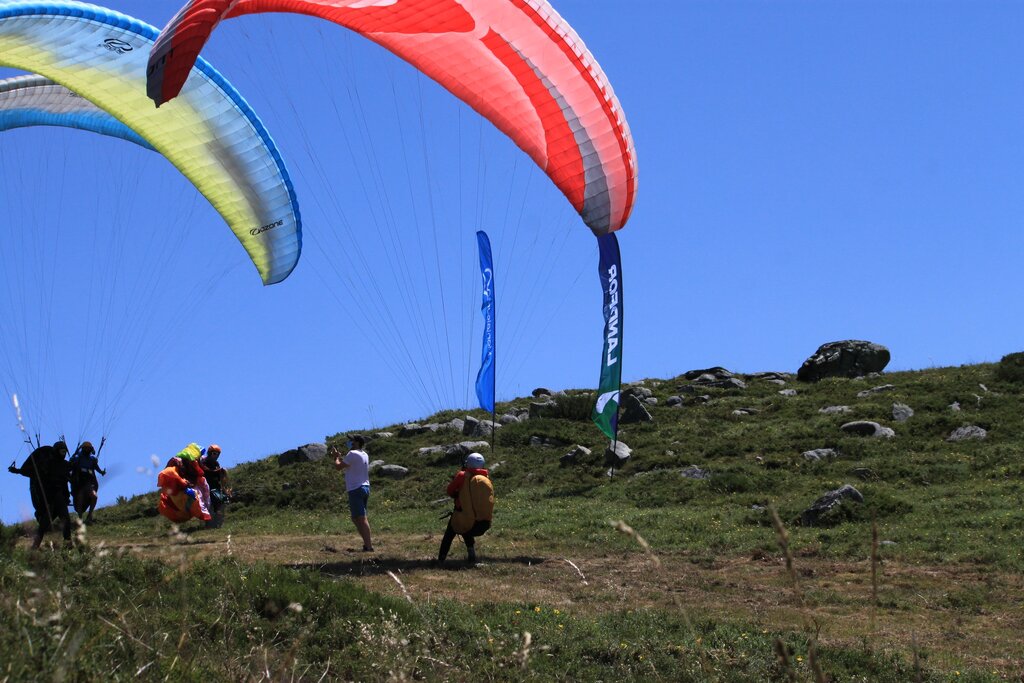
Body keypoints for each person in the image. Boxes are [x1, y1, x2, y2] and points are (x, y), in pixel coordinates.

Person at [8, 440, 72, 549]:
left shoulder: (65, 465)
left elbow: (68, 479)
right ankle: (35, 546)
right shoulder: (47, 463)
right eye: (62, 452)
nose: (64, 454)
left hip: (60, 496)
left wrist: (67, 496)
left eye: (65, 452)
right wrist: (18, 470)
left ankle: (68, 545)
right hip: (50, 497)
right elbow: (33, 471)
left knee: (66, 520)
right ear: (56, 451)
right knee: (44, 523)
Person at [437, 452, 494, 566]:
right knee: (466, 526)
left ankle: (441, 560)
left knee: (450, 533)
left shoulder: (463, 475)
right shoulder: (485, 477)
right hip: (482, 523)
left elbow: (450, 491)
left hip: (464, 516)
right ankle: (471, 553)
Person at [332, 435, 373, 552]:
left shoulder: (352, 454)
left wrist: (336, 457)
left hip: (356, 489)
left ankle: (369, 546)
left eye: (352, 441)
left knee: (361, 518)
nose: (350, 443)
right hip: (365, 487)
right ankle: (366, 543)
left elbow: (338, 467)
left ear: (357, 443)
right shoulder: (364, 454)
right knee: (355, 518)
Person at [156, 444, 212, 524]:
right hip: (180, 492)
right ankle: (201, 514)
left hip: (187, 490)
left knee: (198, 494)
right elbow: (168, 473)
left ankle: (204, 514)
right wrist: (182, 481)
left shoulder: (197, 468)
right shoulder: (178, 463)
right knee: (194, 495)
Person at [68, 440, 106, 525]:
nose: (88, 450)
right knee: (80, 498)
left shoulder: (92, 459)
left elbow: (96, 468)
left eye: (89, 448)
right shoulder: (77, 457)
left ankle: (89, 516)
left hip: (89, 482)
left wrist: (101, 472)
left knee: (94, 497)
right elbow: (71, 467)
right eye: (86, 448)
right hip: (79, 482)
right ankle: (80, 517)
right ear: (83, 449)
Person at [200, 444, 229, 528]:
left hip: (216, 486)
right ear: (210, 453)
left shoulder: (216, 463)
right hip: (207, 487)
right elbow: (206, 470)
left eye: (218, 454)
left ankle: (219, 524)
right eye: (214, 453)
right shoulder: (204, 461)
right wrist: (217, 470)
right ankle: (209, 525)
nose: (216, 456)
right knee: (211, 506)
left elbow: (219, 475)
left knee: (222, 502)